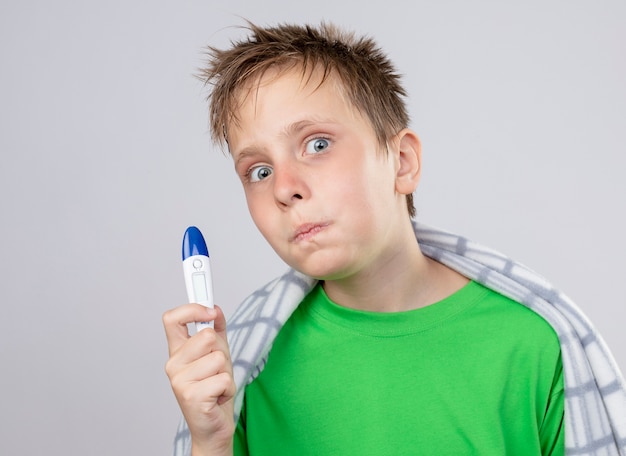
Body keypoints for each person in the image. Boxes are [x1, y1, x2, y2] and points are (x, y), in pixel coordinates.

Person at [163, 22, 626, 456]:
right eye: (258, 171)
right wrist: (211, 441)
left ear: (401, 162)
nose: (284, 187)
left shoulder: (533, 346)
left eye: (317, 144)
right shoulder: (244, 365)